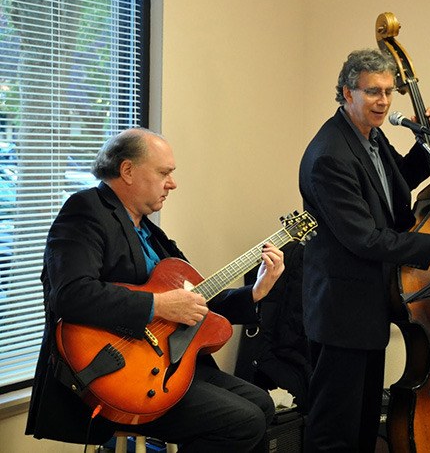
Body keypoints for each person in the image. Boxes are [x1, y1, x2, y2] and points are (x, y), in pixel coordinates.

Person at [25, 127, 285, 452]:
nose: (172, 183)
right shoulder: (86, 211)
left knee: (261, 403)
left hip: (166, 365)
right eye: (164, 173)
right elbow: (71, 294)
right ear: (128, 170)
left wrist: (256, 292)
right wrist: (157, 305)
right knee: (242, 421)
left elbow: (195, 299)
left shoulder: (148, 230)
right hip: (113, 377)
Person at [298, 49, 430, 452]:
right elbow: (365, 237)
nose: (382, 101)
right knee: (334, 432)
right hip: (342, 310)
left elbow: (398, 185)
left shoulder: (370, 138)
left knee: (362, 427)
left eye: (388, 91)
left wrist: (425, 141)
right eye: (372, 92)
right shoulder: (331, 155)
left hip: (369, 306)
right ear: (347, 92)